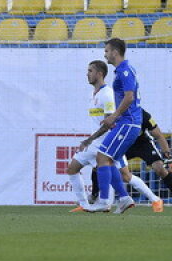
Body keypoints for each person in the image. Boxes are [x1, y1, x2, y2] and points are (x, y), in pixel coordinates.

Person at [65, 60, 160, 212]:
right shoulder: (93, 94)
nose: (87, 74)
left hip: (108, 140)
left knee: (126, 176)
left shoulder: (108, 94)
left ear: (100, 73)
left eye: (90, 71)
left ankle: (153, 199)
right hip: (96, 142)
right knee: (72, 168)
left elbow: (109, 122)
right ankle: (86, 204)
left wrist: (90, 139)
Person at [78, 38, 140, 213]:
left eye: (106, 51)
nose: (105, 54)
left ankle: (104, 201)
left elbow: (129, 97)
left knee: (102, 157)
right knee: (107, 159)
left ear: (115, 52)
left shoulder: (125, 71)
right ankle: (124, 198)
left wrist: (113, 116)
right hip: (126, 123)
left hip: (128, 123)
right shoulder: (121, 71)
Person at [88, 107, 172, 209]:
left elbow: (159, 135)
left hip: (142, 144)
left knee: (160, 168)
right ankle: (94, 195)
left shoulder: (144, 115)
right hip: (123, 143)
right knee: (100, 165)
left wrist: (168, 158)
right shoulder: (115, 113)